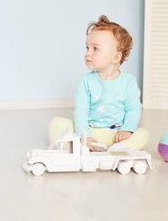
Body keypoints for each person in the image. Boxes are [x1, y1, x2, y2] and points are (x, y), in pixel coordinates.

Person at [49, 15, 149, 152]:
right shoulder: (86, 81)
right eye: (87, 48)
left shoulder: (129, 82)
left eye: (95, 49)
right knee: (56, 123)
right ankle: (74, 147)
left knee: (143, 134)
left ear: (115, 57)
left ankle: (119, 149)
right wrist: (85, 136)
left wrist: (127, 130)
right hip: (90, 132)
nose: (88, 54)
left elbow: (133, 109)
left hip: (116, 135)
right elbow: (81, 111)